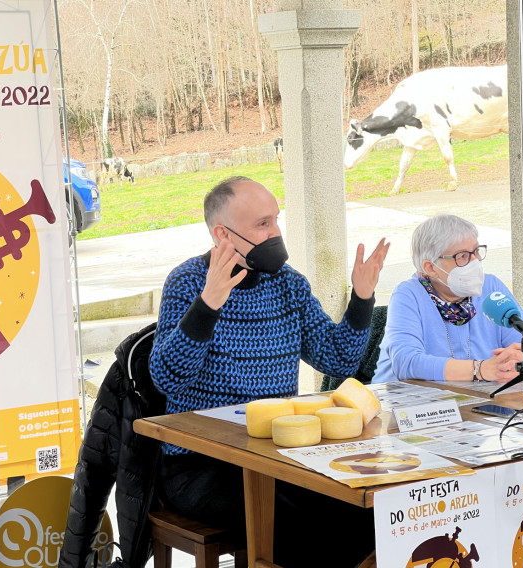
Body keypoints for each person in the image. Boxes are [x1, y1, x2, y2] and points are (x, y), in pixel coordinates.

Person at [149, 175, 389, 568]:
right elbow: (168, 377)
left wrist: (362, 298)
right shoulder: (188, 282)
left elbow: (337, 359)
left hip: (278, 454)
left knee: (360, 511)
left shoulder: (288, 284)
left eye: (276, 220)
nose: (276, 232)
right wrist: (208, 304)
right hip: (200, 464)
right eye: (262, 224)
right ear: (223, 234)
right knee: (302, 527)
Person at [373, 214, 523, 384]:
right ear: (431, 268)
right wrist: (480, 370)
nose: (475, 261)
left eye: (476, 251)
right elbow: (407, 362)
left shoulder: (491, 287)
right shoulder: (408, 294)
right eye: (463, 256)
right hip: (412, 408)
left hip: (479, 401)